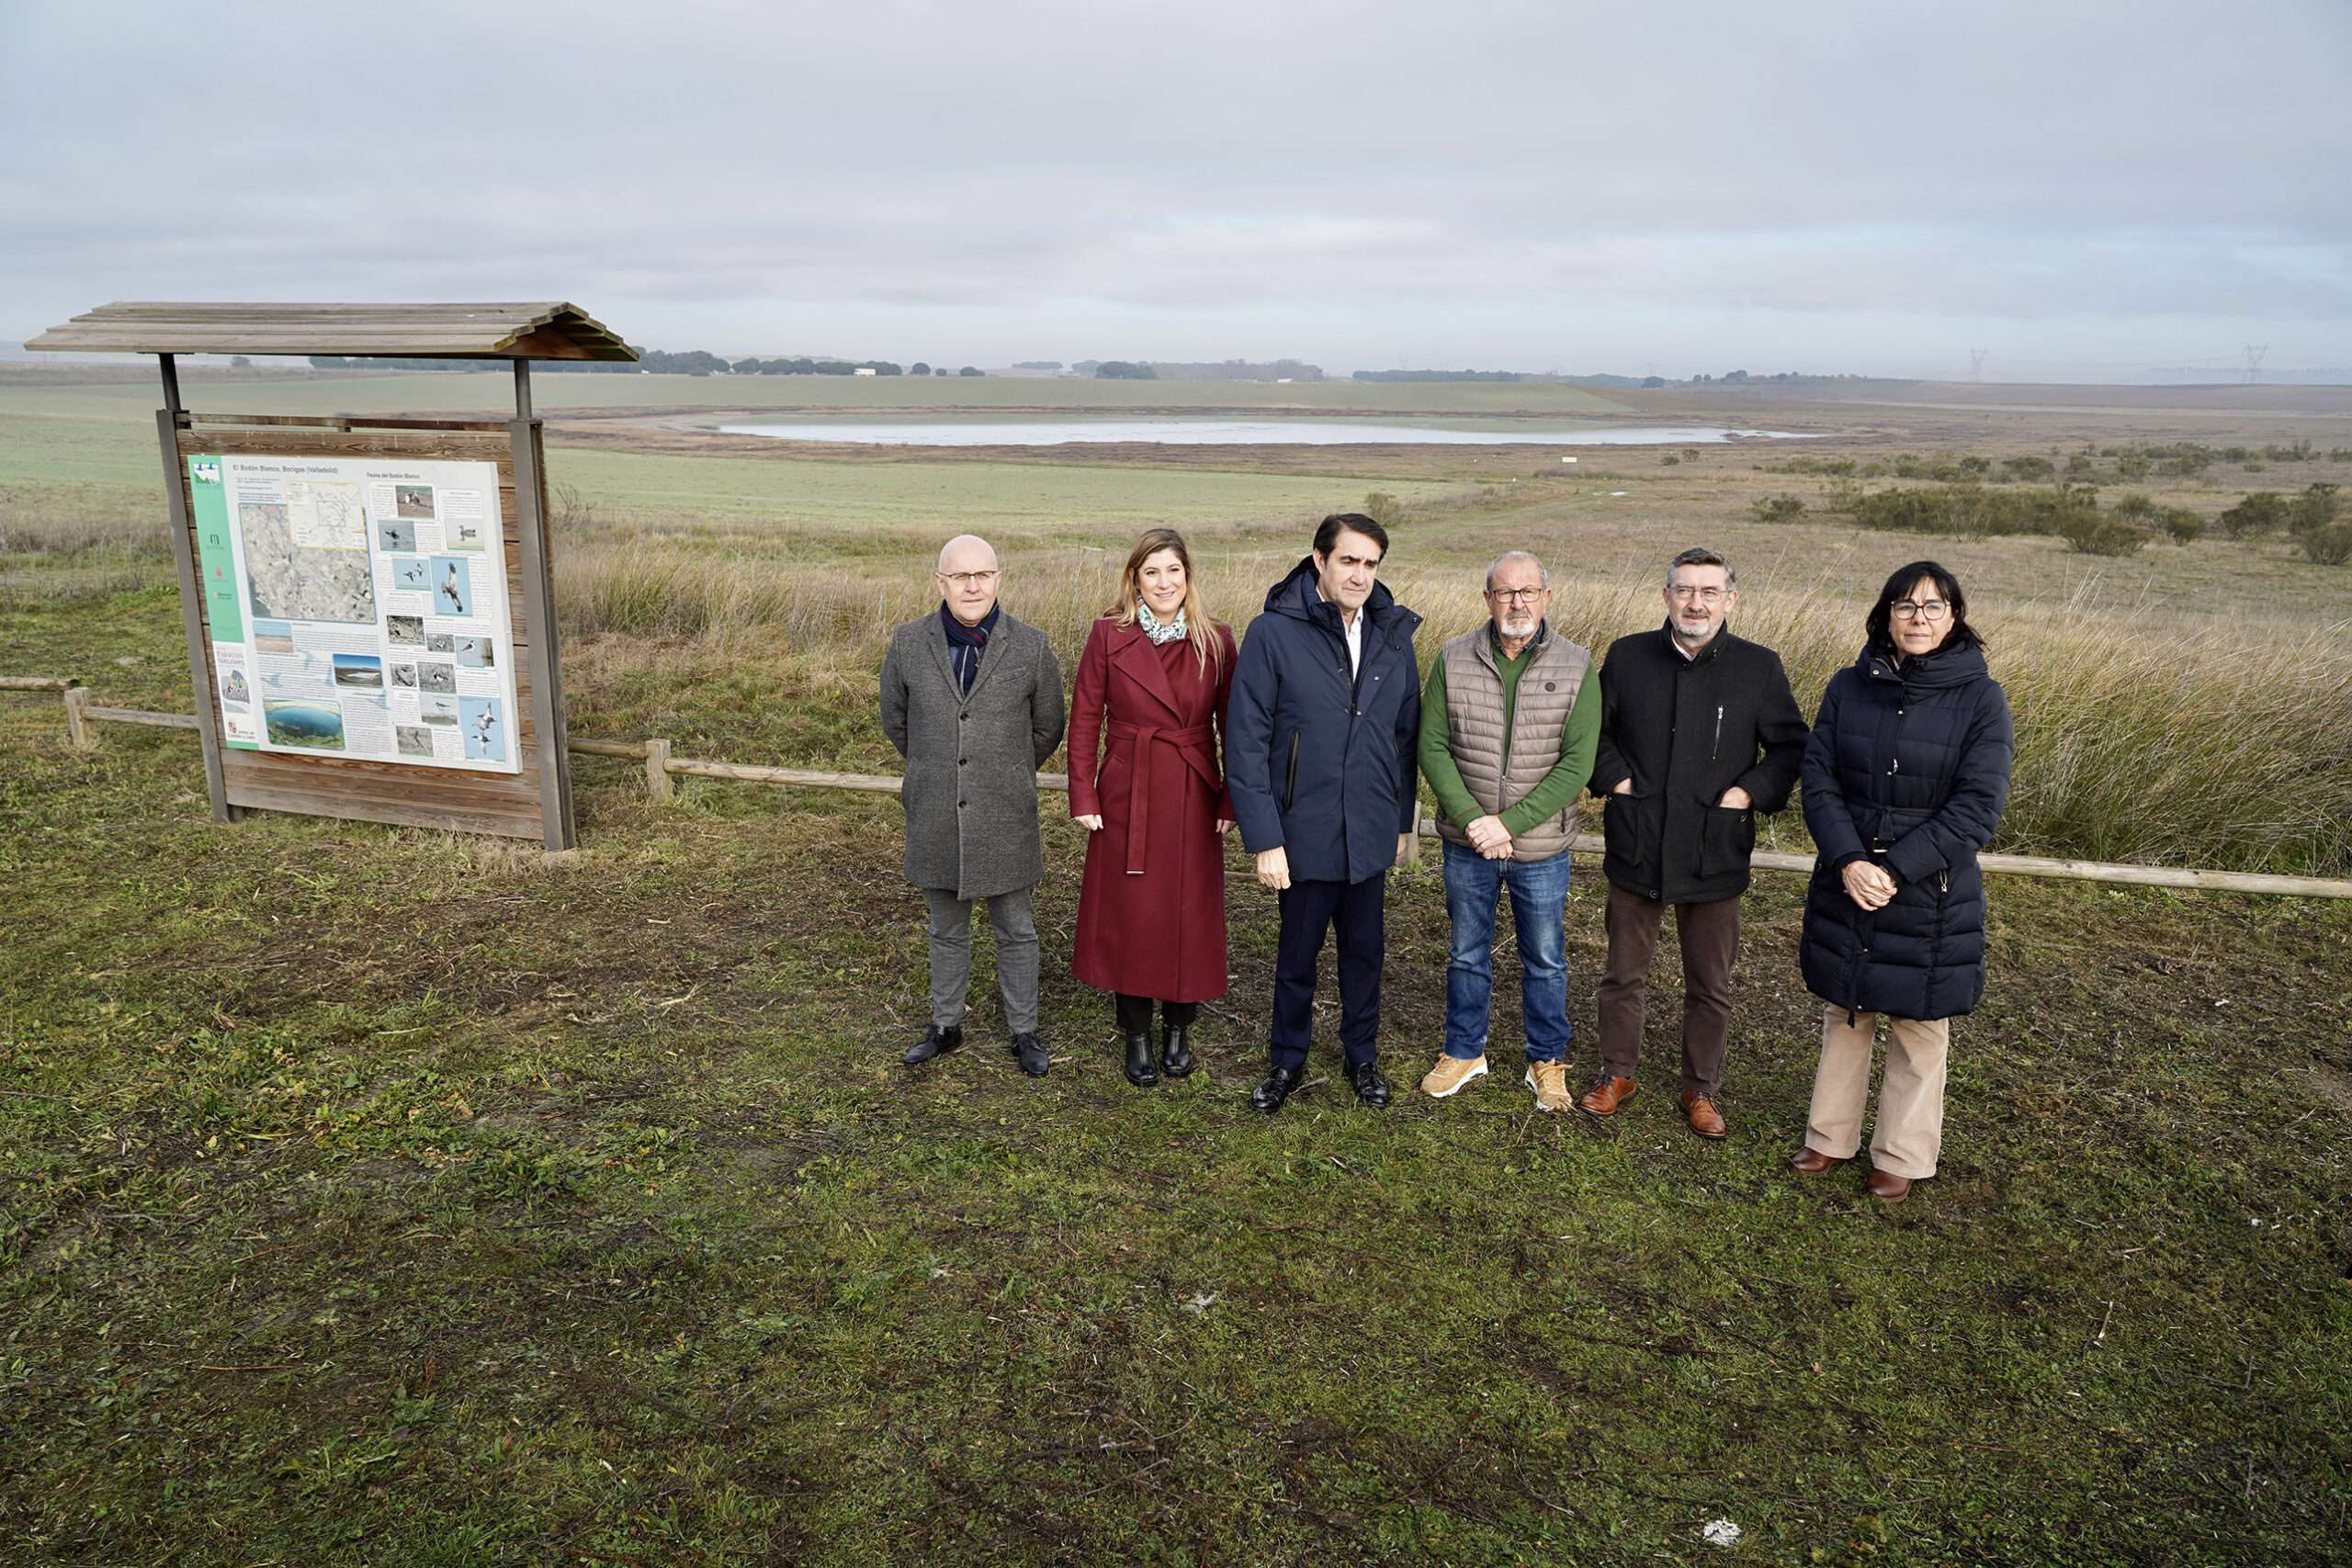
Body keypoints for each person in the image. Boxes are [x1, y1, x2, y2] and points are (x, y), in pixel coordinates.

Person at [1791, 562, 2012, 1202]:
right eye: (1906, 605)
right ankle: (1829, 1136)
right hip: (1849, 871)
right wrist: (1849, 860)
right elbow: (1820, 780)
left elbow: (1978, 806)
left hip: (1930, 884)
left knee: (1920, 1018)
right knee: (1847, 1005)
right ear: (1885, 613)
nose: (1919, 617)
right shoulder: (1848, 686)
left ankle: (1902, 1152)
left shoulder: (1981, 698)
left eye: (1934, 606)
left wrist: (1894, 869)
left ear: (1954, 616)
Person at [1584, 547, 1808, 1137]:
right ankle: (1616, 1073)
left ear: (1730, 600)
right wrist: (1617, 780)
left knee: (1710, 981)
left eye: (1710, 592)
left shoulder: (1759, 667)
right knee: (1623, 973)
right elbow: (1592, 734)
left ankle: (1701, 1088)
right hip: (1639, 840)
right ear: (1665, 596)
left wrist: (1749, 793)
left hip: (1715, 847)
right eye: (1684, 590)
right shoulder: (1628, 657)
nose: (1696, 602)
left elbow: (1789, 747)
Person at [1226, 513, 1421, 1114]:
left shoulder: (1393, 633)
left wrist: (1400, 823)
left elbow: (1405, 734)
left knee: (1366, 953)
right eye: (1349, 561)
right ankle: (1287, 1060)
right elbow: (1246, 738)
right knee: (1296, 957)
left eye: (1370, 563)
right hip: (1301, 831)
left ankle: (1362, 1056)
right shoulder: (1272, 632)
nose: (1360, 574)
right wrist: (1265, 837)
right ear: (1320, 560)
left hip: (1369, 831)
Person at [1414, 550, 1601, 1111]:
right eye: (1504, 592)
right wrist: (1474, 820)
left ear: (1547, 596)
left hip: (1540, 847)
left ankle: (1547, 1060)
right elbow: (1432, 745)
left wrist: (1508, 824)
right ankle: (1464, 1051)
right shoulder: (1452, 657)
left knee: (1545, 958)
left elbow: (1577, 764)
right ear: (1488, 599)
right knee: (1467, 951)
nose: (1516, 603)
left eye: (1527, 592)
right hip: (1467, 843)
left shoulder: (1577, 664)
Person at [879, 534, 1068, 1077]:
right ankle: (945, 1025)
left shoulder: (1030, 646)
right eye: (960, 576)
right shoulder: (907, 643)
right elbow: (898, 721)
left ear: (998, 579)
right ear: (940, 581)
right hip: (935, 810)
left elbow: (1047, 726)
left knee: (1017, 928)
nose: (972, 585)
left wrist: (1000, 771)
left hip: (1006, 814)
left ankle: (1023, 1031)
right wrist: (938, 766)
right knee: (945, 927)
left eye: (982, 574)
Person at [1068, 529, 1238, 1088]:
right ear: (1133, 579)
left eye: (1173, 571)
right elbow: (1086, 718)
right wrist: (1084, 793)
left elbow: (1233, 727)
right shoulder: (1107, 635)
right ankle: (1136, 1034)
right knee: (1133, 916)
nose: (1164, 583)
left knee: (1187, 913)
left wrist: (1232, 798)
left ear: (1188, 576)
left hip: (1192, 790)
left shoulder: (1216, 640)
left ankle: (1179, 1031)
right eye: (1151, 572)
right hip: (1127, 790)